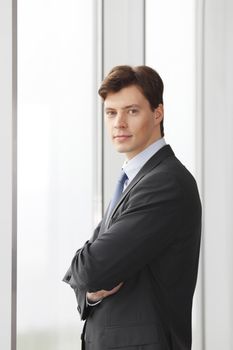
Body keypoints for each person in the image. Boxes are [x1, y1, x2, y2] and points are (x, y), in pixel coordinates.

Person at [63, 65, 202, 350]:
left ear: (157, 113)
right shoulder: (133, 180)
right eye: (111, 113)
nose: (119, 123)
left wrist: (89, 276)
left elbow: (90, 270)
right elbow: (91, 274)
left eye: (132, 111)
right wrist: (92, 293)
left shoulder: (166, 183)